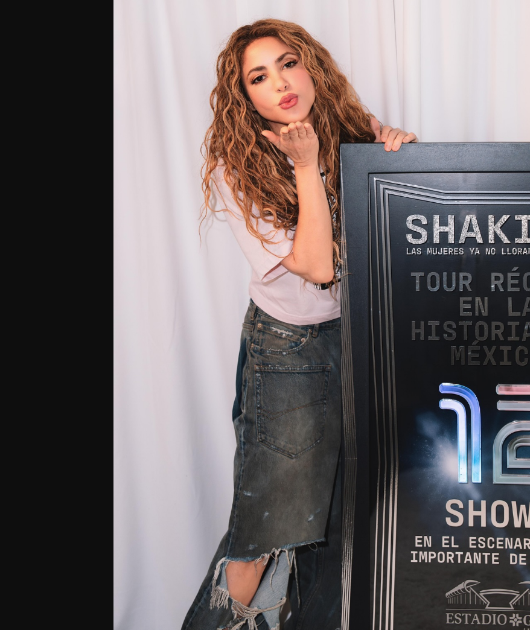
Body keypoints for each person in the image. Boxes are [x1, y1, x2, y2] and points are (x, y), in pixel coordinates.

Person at [182, 18, 416, 630]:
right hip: (287, 351)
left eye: (288, 63)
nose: (281, 83)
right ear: (246, 97)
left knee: (339, 532)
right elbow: (316, 267)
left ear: (310, 65)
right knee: (267, 531)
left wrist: (396, 148)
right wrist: (307, 166)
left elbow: (401, 219)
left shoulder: (349, 129)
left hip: (360, 339)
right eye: (259, 77)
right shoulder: (238, 166)